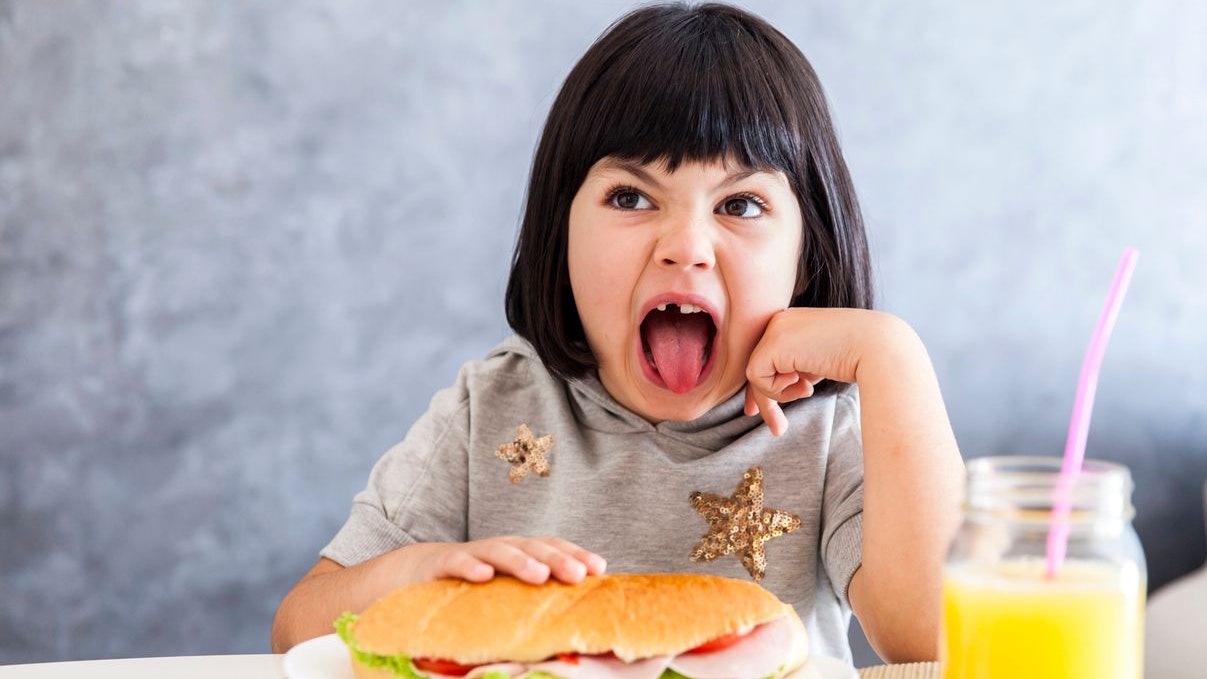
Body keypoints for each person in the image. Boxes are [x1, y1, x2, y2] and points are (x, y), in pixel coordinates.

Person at [272, 2, 963, 664]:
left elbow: (931, 638)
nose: (685, 245)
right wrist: (417, 569)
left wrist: (889, 354)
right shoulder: (491, 407)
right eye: (631, 197)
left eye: (740, 203)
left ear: (807, 257)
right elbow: (299, 626)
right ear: (559, 232)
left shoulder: (828, 432)